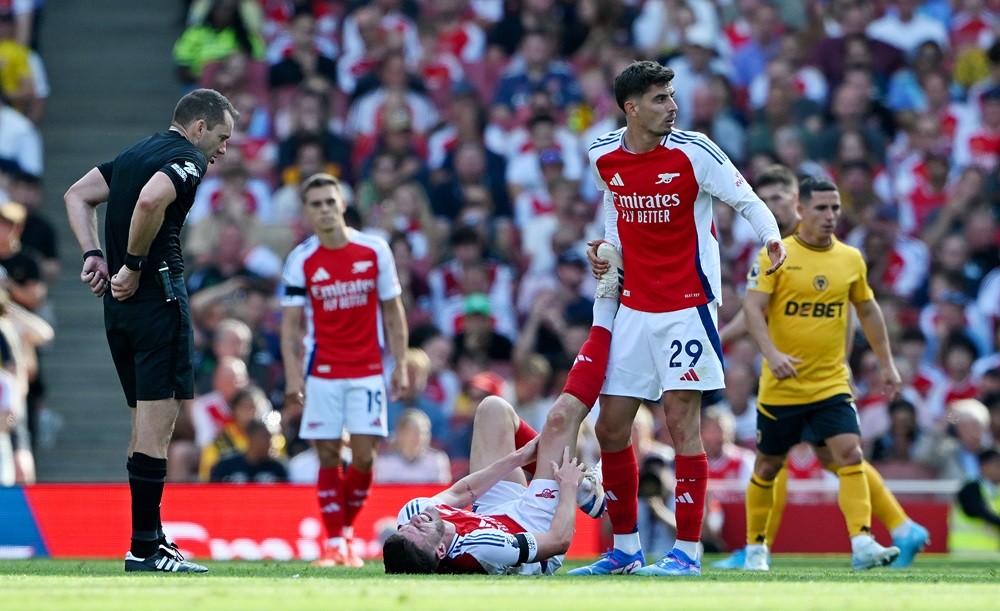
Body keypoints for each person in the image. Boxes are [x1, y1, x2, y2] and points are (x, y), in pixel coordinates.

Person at [572, 60, 786, 577]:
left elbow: (746, 198)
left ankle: (686, 554)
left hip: (688, 306)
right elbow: (615, 208)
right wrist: (608, 252)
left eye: (672, 96)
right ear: (631, 108)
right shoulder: (602, 153)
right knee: (612, 426)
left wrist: (772, 236)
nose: (672, 105)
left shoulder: (695, 151)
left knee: (679, 423)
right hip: (634, 305)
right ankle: (624, 551)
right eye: (660, 98)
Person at [714, 166, 929, 570]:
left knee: (849, 454)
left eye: (836, 208)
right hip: (783, 387)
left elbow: (862, 310)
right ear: (804, 208)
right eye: (823, 208)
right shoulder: (773, 255)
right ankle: (757, 548)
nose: (831, 215)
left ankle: (864, 542)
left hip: (829, 383)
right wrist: (766, 353)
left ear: (792, 201)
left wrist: (881, 364)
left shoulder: (849, 259)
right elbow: (754, 310)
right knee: (769, 465)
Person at [63, 88, 238, 573]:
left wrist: (94, 255)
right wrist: (135, 264)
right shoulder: (187, 157)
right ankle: (144, 547)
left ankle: (150, 538)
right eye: (221, 137)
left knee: (144, 424)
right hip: (156, 297)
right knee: (157, 429)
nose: (223, 149)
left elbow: (76, 195)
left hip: (119, 310)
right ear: (199, 127)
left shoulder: (137, 150)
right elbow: (150, 200)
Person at [383, 243, 627, 574]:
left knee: (493, 408)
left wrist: (520, 455)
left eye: (407, 526)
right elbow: (557, 540)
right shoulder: (482, 549)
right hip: (533, 528)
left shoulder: (413, 516)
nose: (417, 519)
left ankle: (588, 488)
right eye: (420, 528)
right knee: (559, 418)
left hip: (489, 512)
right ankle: (608, 307)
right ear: (441, 549)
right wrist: (567, 488)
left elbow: (463, 490)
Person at [280, 172, 410, 569]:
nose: (324, 209)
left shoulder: (374, 250)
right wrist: (292, 377)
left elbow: (393, 312)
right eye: (315, 204)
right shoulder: (301, 260)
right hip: (323, 372)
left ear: (342, 204)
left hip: (368, 369)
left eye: (329, 201)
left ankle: (345, 535)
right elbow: (290, 326)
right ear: (307, 211)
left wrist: (400, 364)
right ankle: (338, 543)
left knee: (366, 458)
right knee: (328, 456)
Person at [949, 448, 1000, 553]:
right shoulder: (970, 488)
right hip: (965, 551)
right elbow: (975, 510)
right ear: (983, 466)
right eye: (996, 465)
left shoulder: (996, 491)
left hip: (991, 552)